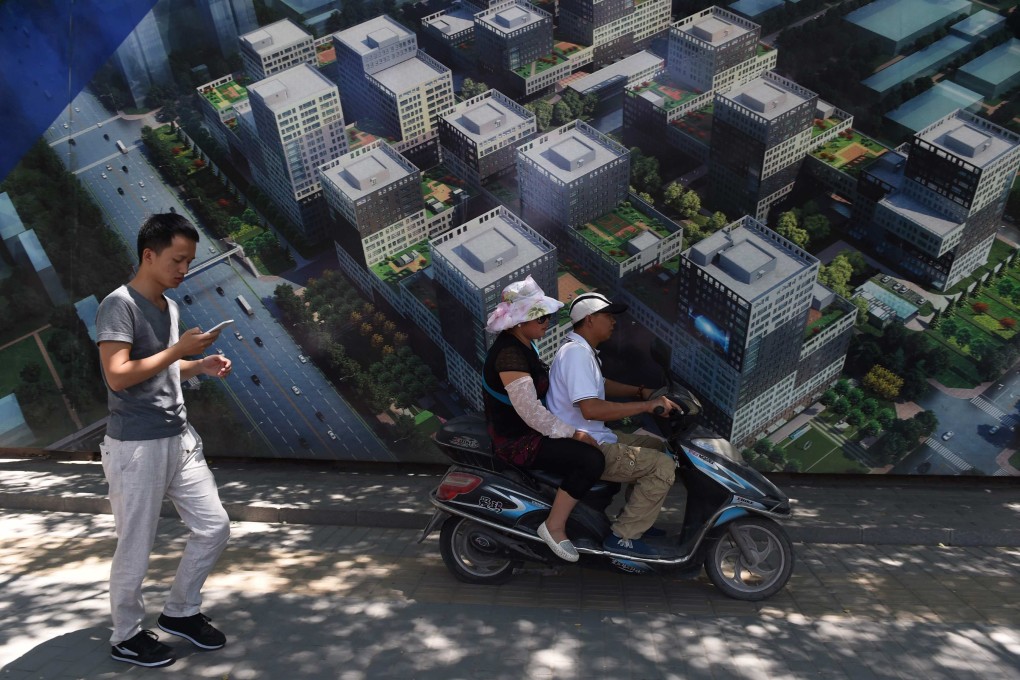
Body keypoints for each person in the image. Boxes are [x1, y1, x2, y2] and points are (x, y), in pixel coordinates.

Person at [96, 213, 232, 668]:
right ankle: (125, 635)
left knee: (214, 526)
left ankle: (180, 611)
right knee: (135, 545)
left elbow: (159, 367)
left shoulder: (168, 308)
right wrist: (178, 351)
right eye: (177, 260)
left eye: (189, 261)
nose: (183, 270)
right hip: (136, 446)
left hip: (180, 437)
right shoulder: (119, 306)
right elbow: (117, 377)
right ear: (148, 255)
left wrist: (200, 365)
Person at [547, 292, 680, 559]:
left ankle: (637, 518)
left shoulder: (583, 352)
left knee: (658, 446)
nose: (613, 322)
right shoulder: (576, 354)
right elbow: (591, 408)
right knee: (662, 465)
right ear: (589, 320)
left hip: (597, 436)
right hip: (586, 444)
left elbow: (601, 384)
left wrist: (640, 392)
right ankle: (625, 538)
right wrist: (644, 406)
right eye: (608, 316)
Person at [483, 276, 605, 562]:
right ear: (518, 322)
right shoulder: (509, 355)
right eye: (539, 317)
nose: (546, 322)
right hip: (517, 440)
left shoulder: (523, 345)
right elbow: (530, 412)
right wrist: (574, 433)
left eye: (548, 316)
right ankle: (553, 526)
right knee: (591, 459)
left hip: (530, 431)